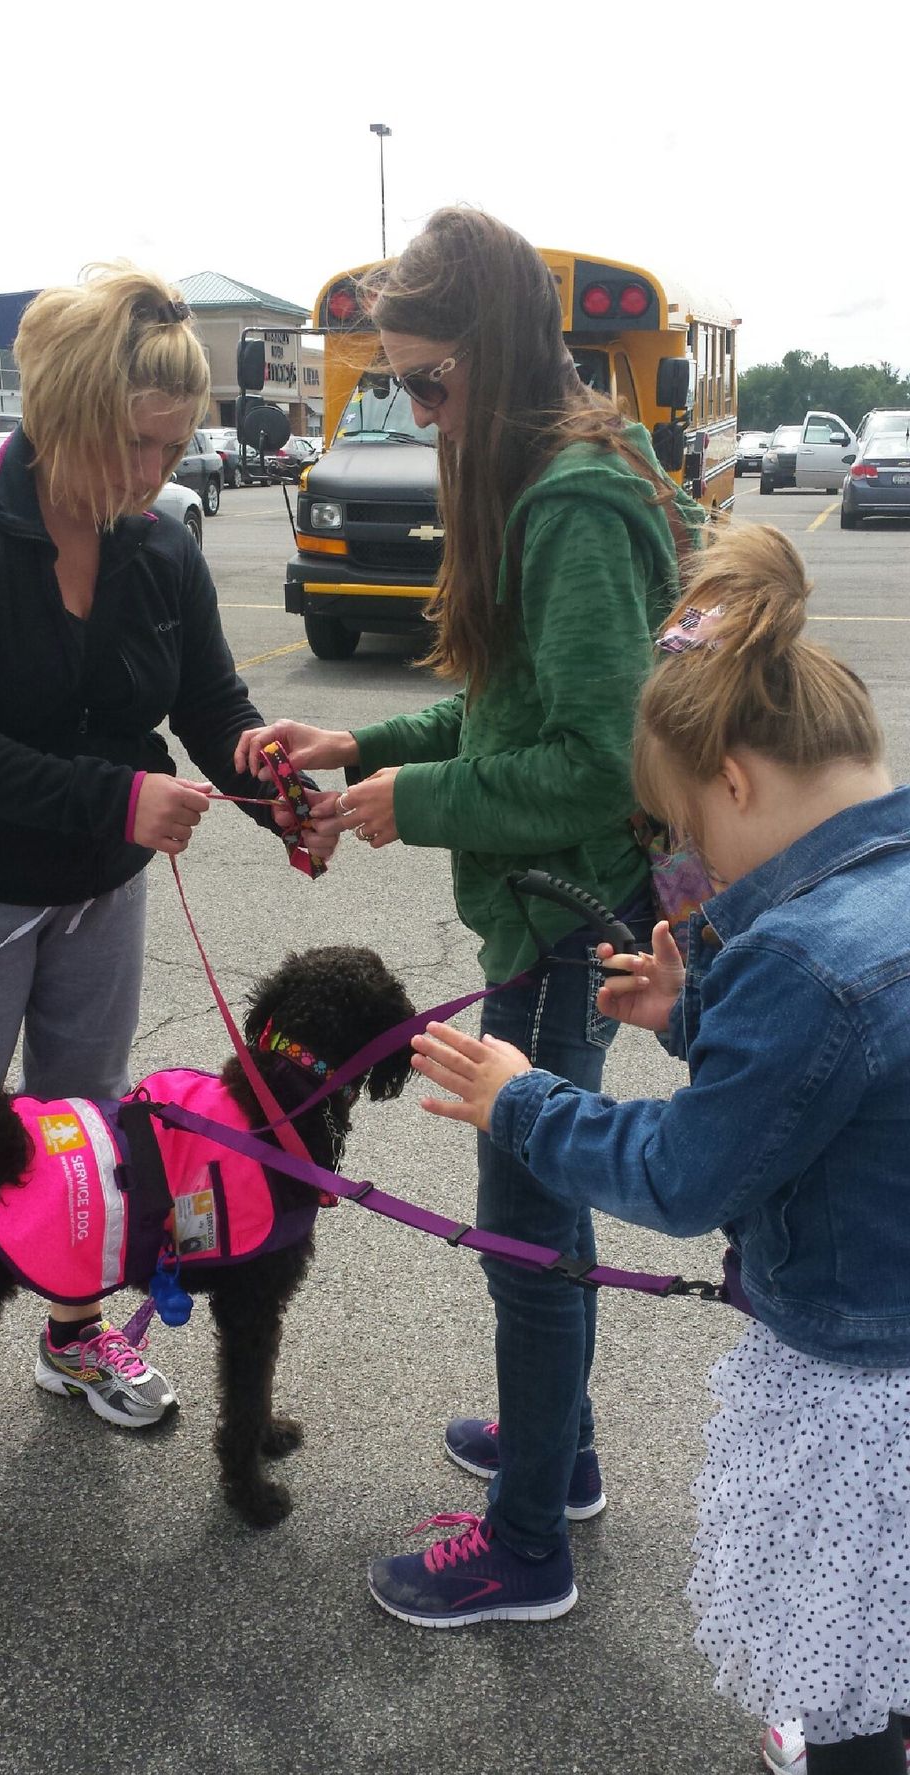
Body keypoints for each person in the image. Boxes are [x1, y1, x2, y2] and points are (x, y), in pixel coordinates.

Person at [237, 205, 704, 1623]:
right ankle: (557, 1458)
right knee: (534, 1216)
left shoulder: (564, 499)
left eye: (429, 381)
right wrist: (363, 751)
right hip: (556, 910)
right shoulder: (543, 471)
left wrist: (416, 801)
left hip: (569, 917)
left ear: (493, 360)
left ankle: (528, 1547)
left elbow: (595, 756)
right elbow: (512, 710)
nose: (415, 407)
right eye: (396, 384)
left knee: (525, 1222)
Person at [407, 521, 910, 1775]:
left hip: (862, 1375)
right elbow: (836, 1095)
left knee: (845, 1672)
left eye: (683, 829)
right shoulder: (877, 897)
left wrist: (520, 1103)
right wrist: (691, 1018)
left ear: (733, 783)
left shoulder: (798, 959)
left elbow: (688, 1175)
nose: (688, 870)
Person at [0, 263, 335, 1430]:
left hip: (99, 892)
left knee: (85, 1130)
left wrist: (268, 781)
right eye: (138, 446)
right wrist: (116, 800)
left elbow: (212, 704)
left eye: (175, 446)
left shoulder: (158, 541)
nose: (157, 477)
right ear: (66, 418)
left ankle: (72, 1338)